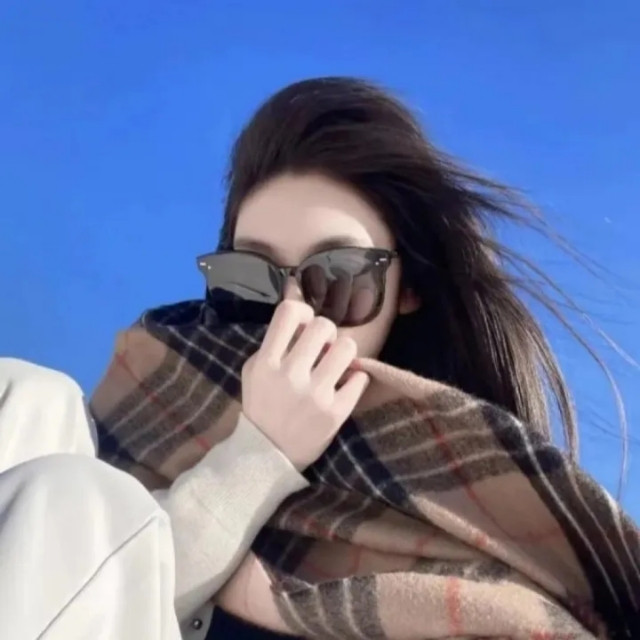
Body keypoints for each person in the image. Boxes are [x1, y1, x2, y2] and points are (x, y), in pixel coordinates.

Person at [178, 76, 633, 637]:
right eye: (252, 280)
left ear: (408, 287)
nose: (289, 314)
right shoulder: (148, 423)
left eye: (338, 277)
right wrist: (255, 456)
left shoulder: (484, 515)